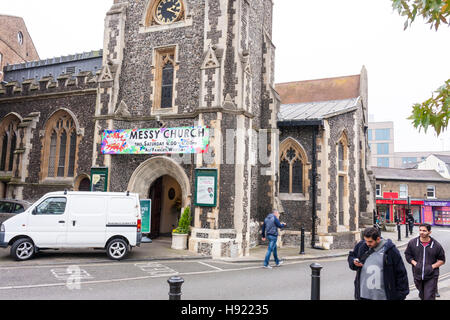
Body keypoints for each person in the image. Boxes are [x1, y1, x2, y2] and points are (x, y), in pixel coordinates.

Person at [348, 227, 409, 300]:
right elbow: (351, 256)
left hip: (383, 296)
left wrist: (401, 295)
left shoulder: (390, 251)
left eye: (370, 241)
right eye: (365, 240)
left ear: (378, 239)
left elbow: (401, 273)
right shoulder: (361, 246)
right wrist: (353, 261)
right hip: (363, 296)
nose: (367, 244)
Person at [404, 223, 446, 300]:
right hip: (417, 275)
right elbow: (408, 255)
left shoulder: (436, 245)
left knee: (429, 296)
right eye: (420, 230)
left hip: (431, 276)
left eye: (424, 231)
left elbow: (442, 260)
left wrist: (432, 267)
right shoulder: (412, 243)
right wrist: (415, 264)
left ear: (429, 232)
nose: (421, 232)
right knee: (422, 296)